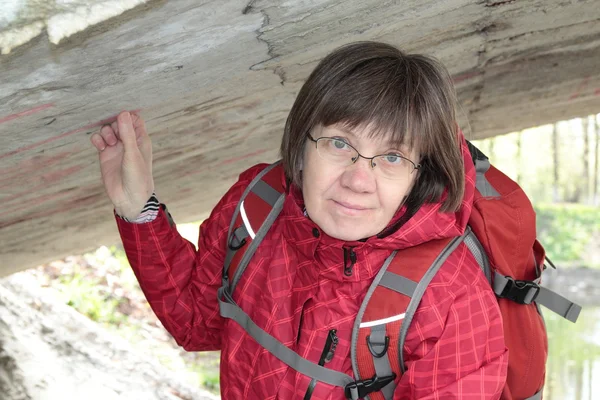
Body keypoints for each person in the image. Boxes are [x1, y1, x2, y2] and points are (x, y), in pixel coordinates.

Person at [90, 41, 508, 399]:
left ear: (421, 173)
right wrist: (138, 208)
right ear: (303, 140)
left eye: (393, 157)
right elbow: (197, 322)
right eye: (339, 143)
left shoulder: (449, 296)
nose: (359, 179)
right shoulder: (258, 208)